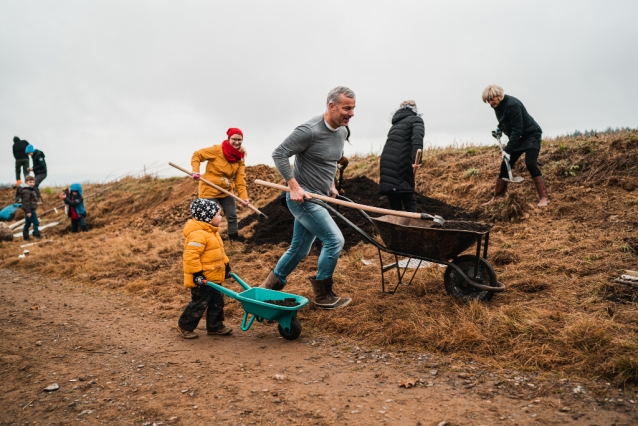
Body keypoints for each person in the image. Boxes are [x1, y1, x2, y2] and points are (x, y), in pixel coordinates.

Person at [259, 86, 356, 310]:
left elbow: (330, 161)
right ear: (332, 106)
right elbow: (279, 153)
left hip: (321, 197)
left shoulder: (341, 131)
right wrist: (293, 186)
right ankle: (323, 296)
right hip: (303, 200)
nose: (351, 113)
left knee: (299, 249)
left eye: (353, 108)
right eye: (346, 108)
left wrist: (331, 184)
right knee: (334, 241)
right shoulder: (309, 130)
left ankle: (267, 287)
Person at [482, 84, 549, 207]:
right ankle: (497, 197)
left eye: (492, 99)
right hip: (518, 138)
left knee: (530, 163)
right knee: (505, 165)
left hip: (531, 135)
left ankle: (544, 198)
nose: (490, 103)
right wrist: (499, 128)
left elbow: (517, 130)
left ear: (499, 96)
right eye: (488, 101)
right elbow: (505, 121)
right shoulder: (497, 106)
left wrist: (508, 150)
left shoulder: (513, 105)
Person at [176, 198, 233, 339]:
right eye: (218, 215)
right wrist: (197, 274)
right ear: (207, 218)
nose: (221, 217)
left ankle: (215, 326)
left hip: (214, 277)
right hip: (202, 279)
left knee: (217, 303)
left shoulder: (212, 233)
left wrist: (226, 266)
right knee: (199, 304)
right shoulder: (198, 235)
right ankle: (185, 326)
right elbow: (190, 257)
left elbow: (220, 253)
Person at [191, 128, 250, 241]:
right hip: (209, 190)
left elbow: (240, 179)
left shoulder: (240, 157)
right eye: (234, 139)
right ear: (228, 138)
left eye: (240, 140)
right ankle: (207, 240)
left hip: (226, 190)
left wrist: (244, 197)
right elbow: (197, 155)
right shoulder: (217, 150)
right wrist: (196, 170)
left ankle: (234, 238)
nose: (237, 142)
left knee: (232, 215)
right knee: (209, 217)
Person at [378, 100, 424, 212]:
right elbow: (417, 139)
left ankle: (394, 227)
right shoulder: (416, 120)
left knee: (394, 200)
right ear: (415, 109)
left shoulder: (395, 124)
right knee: (408, 197)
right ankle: (412, 226)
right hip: (400, 163)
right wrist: (416, 160)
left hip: (386, 162)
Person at [18, 176, 42, 240]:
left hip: (30, 209)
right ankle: (36, 234)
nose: (32, 183)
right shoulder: (26, 191)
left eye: (33, 182)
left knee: (28, 223)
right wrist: (28, 211)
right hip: (30, 209)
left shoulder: (29, 189)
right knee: (36, 222)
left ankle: (26, 236)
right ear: (26, 182)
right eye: (30, 182)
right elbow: (26, 202)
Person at [12, 136, 29, 202]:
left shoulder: (14, 145)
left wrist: (17, 158)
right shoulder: (24, 142)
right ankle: (27, 181)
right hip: (26, 159)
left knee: (17, 171)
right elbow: (28, 147)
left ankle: (18, 181)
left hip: (18, 159)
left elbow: (13, 153)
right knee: (26, 171)